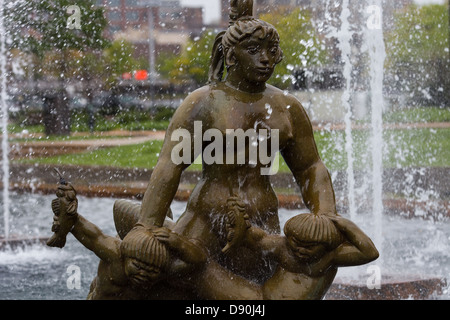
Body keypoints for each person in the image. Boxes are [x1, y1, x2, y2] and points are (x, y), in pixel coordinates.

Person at [121, 5, 340, 291]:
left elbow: (311, 168)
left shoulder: (286, 107)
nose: (265, 60)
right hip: (206, 220)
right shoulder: (203, 103)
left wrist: (326, 219)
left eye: (271, 51)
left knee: (267, 284)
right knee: (166, 281)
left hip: (262, 220)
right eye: (253, 50)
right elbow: (170, 166)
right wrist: (147, 226)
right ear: (230, 56)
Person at [48, 184, 208, 299]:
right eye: (137, 266)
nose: (143, 274)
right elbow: (92, 235)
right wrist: (69, 211)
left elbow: (200, 260)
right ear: (126, 257)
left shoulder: (161, 267)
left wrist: (178, 242)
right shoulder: (114, 255)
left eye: (151, 271)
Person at [238, 212, 379, 300]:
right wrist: (242, 225)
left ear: (325, 246)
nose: (301, 250)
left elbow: (370, 253)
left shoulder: (330, 257)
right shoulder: (283, 246)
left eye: (310, 247)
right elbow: (257, 240)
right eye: (296, 243)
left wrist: (347, 225)